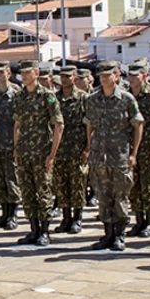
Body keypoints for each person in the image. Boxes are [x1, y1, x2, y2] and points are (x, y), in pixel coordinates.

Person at [84, 60, 144, 251]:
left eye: (108, 75)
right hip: (99, 156)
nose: (103, 78)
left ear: (117, 76)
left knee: (120, 196)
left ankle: (120, 235)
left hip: (119, 156)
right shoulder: (92, 99)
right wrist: (90, 147)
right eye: (101, 75)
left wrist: (133, 153)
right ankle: (107, 234)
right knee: (103, 196)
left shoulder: (126, 99)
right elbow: (89, 125)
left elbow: (138, 125)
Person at [13, 60, 64, 247]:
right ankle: (33, 229)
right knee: (27, 192)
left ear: (36, 73)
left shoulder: (47, 96)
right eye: (22, 73)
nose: (24, 76)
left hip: (42, 151)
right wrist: (16, 148)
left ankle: (44, 231)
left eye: (27, 73)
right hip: (25, 151)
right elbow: (17, 124)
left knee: (43, 192)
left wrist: (52, 154)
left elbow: (58, 125)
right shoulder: (19, 96)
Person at [126, 61, 150, 237]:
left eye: (136, 75)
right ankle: (138, 221)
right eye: (130, 75)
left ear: (145, 76)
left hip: (149, 147)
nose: (132, 78)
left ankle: (149, 222)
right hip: (130, 148)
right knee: (134, 187)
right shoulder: (125, 96)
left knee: (148, 185)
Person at [53, 66, 88, 234]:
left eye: (68, 76)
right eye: (62, 76)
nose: (64, 79)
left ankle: (78, 218)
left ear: (74, 77)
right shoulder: (55, 98)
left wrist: (87, 148)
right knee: (61, 184)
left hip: (77, 147)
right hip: (60, 148)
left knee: (77, 184)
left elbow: (90, 126)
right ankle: (66, 218)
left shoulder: (83, 98)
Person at [0, 62, 21, 230]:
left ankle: (13, 214)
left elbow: (21, 121)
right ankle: (4, 213)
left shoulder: (17, 94)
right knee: (0, 180)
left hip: (11, 144)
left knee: (12, 179)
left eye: (2, 72)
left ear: (8, 73)